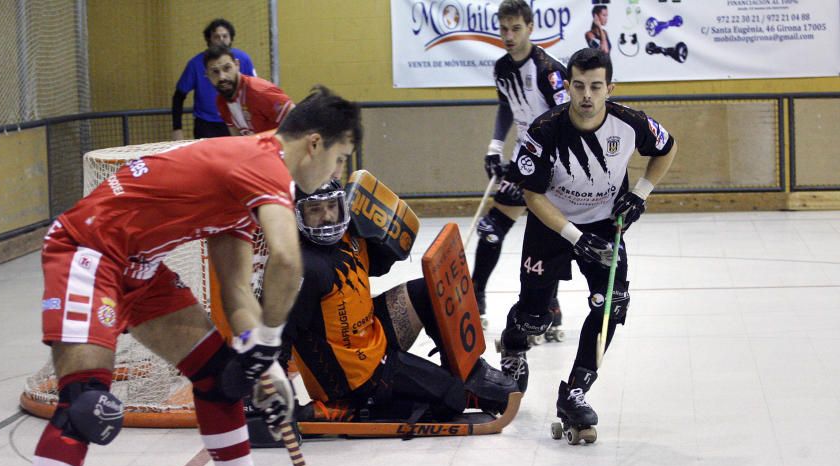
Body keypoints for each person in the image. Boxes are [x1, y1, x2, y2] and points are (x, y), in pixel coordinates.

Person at [7, 87, 362, 466]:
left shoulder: (248, 181)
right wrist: (269, 344)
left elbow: (237, 290)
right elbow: (287, 262)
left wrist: (257, 360)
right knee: (86, 408)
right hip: (89, 251)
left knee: (223, 380)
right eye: (340, 159)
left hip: (139, 269)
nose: (336, 173)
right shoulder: (264, 165)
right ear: (314, 144)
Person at [499, 47, 677, 441]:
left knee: (611, 305)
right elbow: (533, 196)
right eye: (578, 85)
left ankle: (576, 390)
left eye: (596, 87)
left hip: (605, 226)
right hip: (552, 227)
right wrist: (576, 239)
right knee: (536, 318)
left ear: (609, 88)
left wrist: (642, 192)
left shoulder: (629, 123)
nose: (586, 95)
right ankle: (513, 344)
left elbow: (667, 148)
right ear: (567, 85)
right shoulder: (545, 131)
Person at [281, 180, 516, 427]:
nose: (328, 217)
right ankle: (347, 406)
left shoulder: (351, 234)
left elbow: (377, 268)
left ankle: (468, 373)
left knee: (428, 290)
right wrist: (282, 401)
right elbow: (281, 334)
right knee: (451, 397)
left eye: (332, 206)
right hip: (356, 380)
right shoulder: (304, 268)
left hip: (371, 336)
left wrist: (383, 238)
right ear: (298, 214)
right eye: (315, 210)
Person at [475, 0, 570, 340]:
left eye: (516, 29)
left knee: (547, 235)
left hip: (555, 159)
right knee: (491, 228)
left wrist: (535, 163)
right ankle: (476, 299)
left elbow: (565, 121)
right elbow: (506, 107)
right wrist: (495, 147)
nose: (509, 36)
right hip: (523, 156)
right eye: (503, 29)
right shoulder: (502, 68)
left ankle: (551, 307)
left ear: (530, 27)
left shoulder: (548, 69)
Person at [171, 18, 256, 140]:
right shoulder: (195, 64)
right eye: (217, 37)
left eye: (225, 36)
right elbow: (179, 96)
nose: (221, 40)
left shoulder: (243, 59)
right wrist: (177, 128)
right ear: (209, 39)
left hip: (238, 121)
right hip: (207, 125)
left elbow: (252, 90)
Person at [204, 44, 294, 136]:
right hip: (255, 148)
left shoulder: (259, 91)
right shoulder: (221, 101)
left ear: (237, 65)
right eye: (215, 72)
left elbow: (296, 120)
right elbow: (237, 140)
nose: (222, 77)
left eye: (227, 68)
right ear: (207, 75)